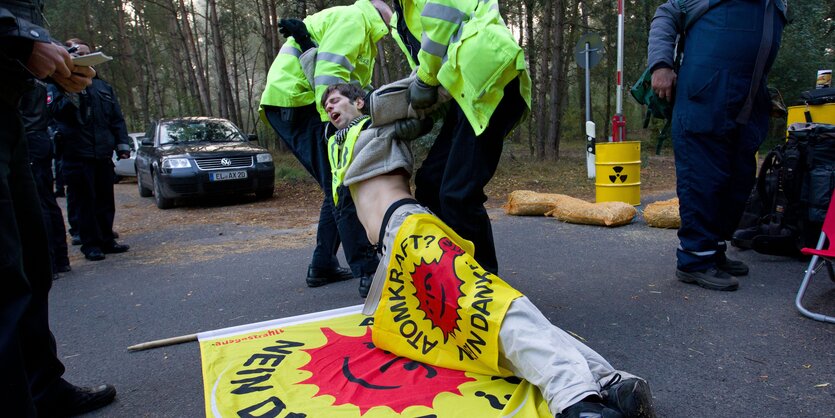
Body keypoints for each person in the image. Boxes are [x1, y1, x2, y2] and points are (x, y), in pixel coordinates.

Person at [321, 82, 656, 418]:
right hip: (390, 256)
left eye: (335, 100)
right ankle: (609, 380)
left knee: (482, 307)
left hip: (407, 228)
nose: (330, 107)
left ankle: (573, 395)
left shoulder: (377, 121)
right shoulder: (336, 144)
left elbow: (422, 91)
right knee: (468, 331)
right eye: (325, 106)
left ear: (360, 101)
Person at [0, 1, 117, 416]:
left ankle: (42, 385)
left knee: (33, 262)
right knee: (3, 275)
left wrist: (45, 58)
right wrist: (17, 39)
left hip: (8, 105)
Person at [648, 0, 786, 291]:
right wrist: (661, 65)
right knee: (703, 180)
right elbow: (667, 13)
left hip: (747, 101)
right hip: (705, 95)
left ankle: (713, 250)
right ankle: (694, 260)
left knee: (738, 180)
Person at [259, 0, 393, 297]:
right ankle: (368, 272)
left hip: (295, 102)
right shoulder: (356, 21)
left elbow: (355, 89)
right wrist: (335, 126)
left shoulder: (360, 31)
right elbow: (329, 78)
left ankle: (323, 264)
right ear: (383, 20)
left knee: (333, 183)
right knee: (343, 182)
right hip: (300, 102)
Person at [388, 0, 532, 274]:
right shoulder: (400, 19)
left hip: (490, 79)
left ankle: (485, 287)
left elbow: (440, 31)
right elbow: (437, 79)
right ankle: (451, 271)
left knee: (458, 194)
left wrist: (425, 80)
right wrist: (423, 120)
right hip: (465, 95)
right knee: (431, 183)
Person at [49, 38, 131, 262]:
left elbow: (116, 118)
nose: (83, 57)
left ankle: (107, 239)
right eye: (77, 54)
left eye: (87, 53)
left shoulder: (103, 87)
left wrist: (122, 144)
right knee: (84, 201)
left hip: (102, 153)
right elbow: (55, 112)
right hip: (76, 153)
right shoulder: (59, 84)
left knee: (105, 200)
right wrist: (73, 91)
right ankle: (91, 244)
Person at [20, 74, 72, 279]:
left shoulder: (25, 83)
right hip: (39, 139)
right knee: (46, 201)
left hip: (30, 141)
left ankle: (50, 262)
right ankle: (59, 259)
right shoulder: (43, 84)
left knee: (38, 203)